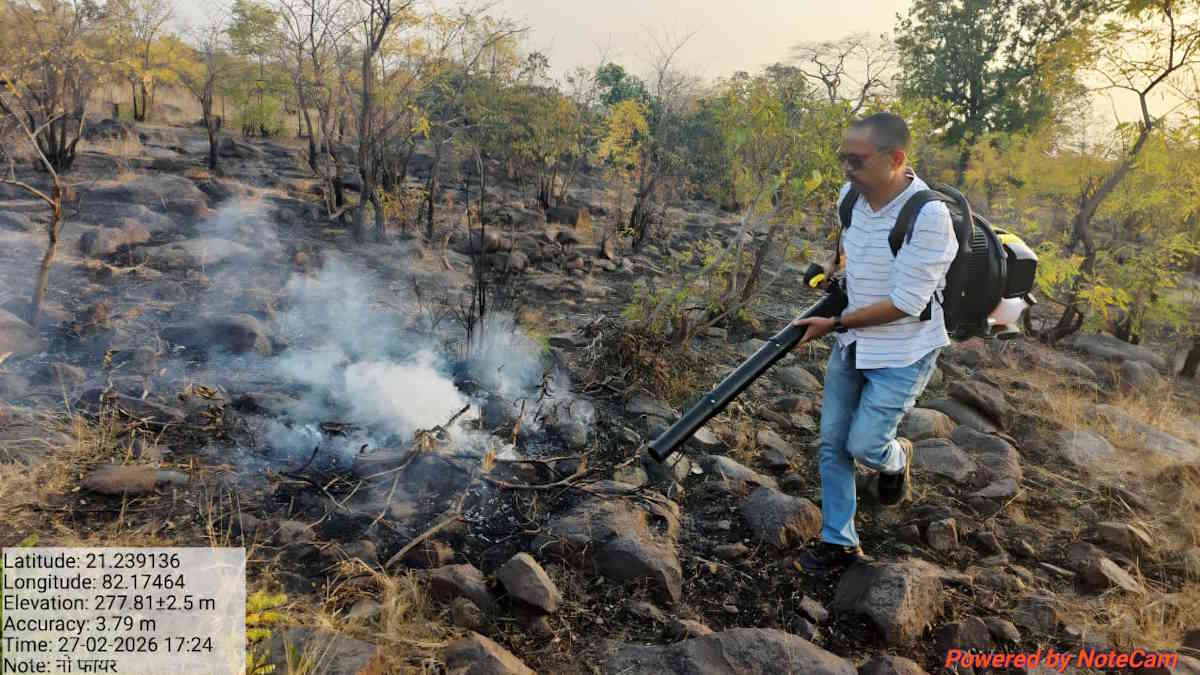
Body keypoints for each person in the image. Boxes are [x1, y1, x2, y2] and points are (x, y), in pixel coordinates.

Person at [792, 112, 958, 575]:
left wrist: (835, 322)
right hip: (852, 341)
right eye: (843, 158)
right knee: (832, 444)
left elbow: (906, 302)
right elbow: (854, 249)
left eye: (857, 160)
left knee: (865, 445)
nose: (846, 169)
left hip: (904, 350)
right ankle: (839, 542)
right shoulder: (851, 196)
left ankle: (896, 456)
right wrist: (834, 278)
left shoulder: (928, 216)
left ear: (896, 158)